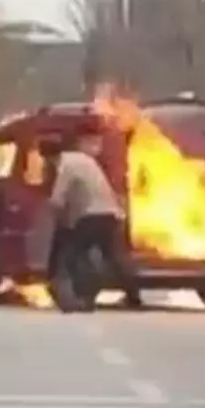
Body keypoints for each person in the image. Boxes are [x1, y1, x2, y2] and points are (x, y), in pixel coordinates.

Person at [47, 132, 143, 309]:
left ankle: (84, 296)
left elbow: (57, 199)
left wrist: (60, 222)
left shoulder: (65, 165)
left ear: (50, 157)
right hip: (111, 214)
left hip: (92, 216)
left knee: (74, 256)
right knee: (113, 258)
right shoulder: (84, 159)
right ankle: (133, 295)